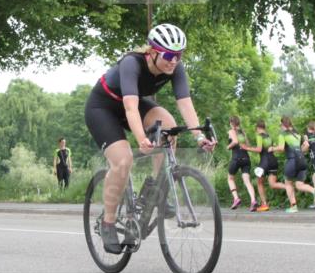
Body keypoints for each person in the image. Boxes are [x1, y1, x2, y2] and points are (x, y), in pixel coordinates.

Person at [84, 23, 216, 254]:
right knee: (123, 161)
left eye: (178, 55)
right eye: (168, 55)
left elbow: (185, 102)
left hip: (132, 105)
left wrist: (198, 136)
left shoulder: (175, 67)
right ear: (153, 52)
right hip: (103, 108)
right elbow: (130, 108)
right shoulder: (131, 63)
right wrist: (141, 139)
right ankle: (108, 223)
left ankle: (157, 192)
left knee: (169, 128)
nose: (173, 60)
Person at [272, 116, 315, 213]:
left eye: (281, 125)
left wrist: (272, 148)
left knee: (288, 183)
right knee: (299, 184)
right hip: (302, 160)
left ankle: (293, 206)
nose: (280, 127)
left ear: (283, 124)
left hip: (292, 161)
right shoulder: (297, 134)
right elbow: (307, 145)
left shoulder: (283, 134)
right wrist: (300, 152)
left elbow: (281, 148)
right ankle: (314, 190)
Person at [240, 119, 276, 212]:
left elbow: (259, 150)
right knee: (273, 183)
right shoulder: (269, 136)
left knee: (259, 182)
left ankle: (264, 204)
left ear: (257, 128)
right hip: (273, 160)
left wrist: (247, 148)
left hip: (264, 162)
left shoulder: (259, 136)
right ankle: (288, 189)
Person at [226, 116, 257, 211]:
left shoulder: (231, 131)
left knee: (230, 178)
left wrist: (228, 146)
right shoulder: (243, 132)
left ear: (231, 123)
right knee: (247, 181)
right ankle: (253, 201)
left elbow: (235, 142)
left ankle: (236, 198)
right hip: (246, 158)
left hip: (237, 158)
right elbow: (247, 144)